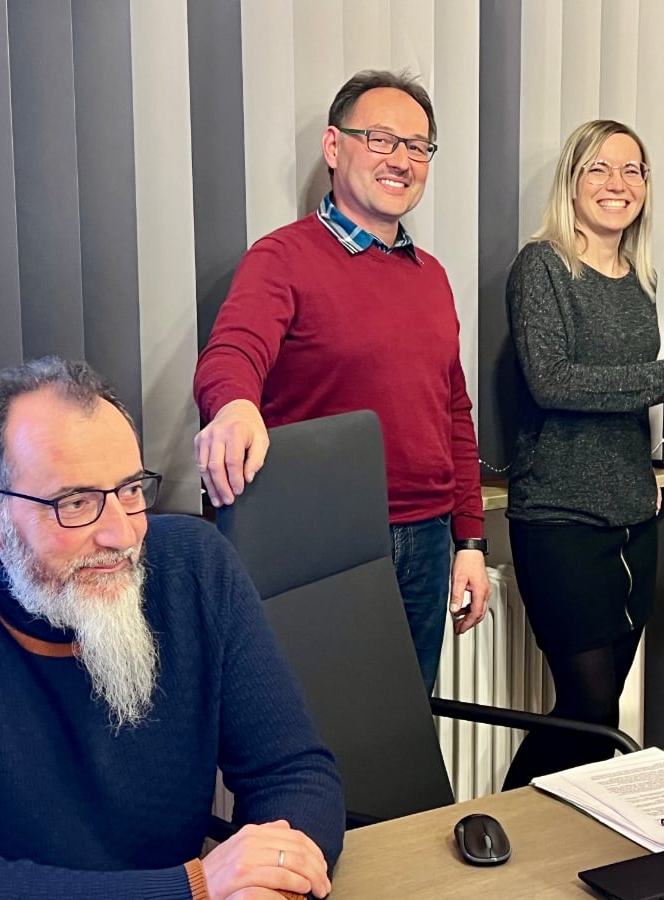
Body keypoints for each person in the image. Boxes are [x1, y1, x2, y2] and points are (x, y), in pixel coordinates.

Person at [0, 357, 344, 900]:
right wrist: (190, 887)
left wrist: (270, 882)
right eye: (75, 502)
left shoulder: (195, 566)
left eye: (130, 490)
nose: (122, 535)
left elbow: (292, 773)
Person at [193, 70, 488, 695]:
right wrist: (234, 406)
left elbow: (454, 413)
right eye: (381, 139)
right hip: (320, 540)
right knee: (315, 730)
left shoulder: (431, 275)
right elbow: (233, 352)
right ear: (334, 147)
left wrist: (470, 540)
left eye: (417, 146)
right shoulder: (282, 258)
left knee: (405, 730)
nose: (401, 160)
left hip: (428, 541)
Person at [501, 120, 664, 788]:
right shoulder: (543, 267)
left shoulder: (638, 278)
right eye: (599, 168)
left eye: (632, 170)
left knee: (602, 710)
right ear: (572, 181)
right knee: (587, 707)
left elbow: (623, 395)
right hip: (560, 519)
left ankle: (563, 840)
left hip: (632, 519)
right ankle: (494, 827)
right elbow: (553, 382)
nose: (617, 183)